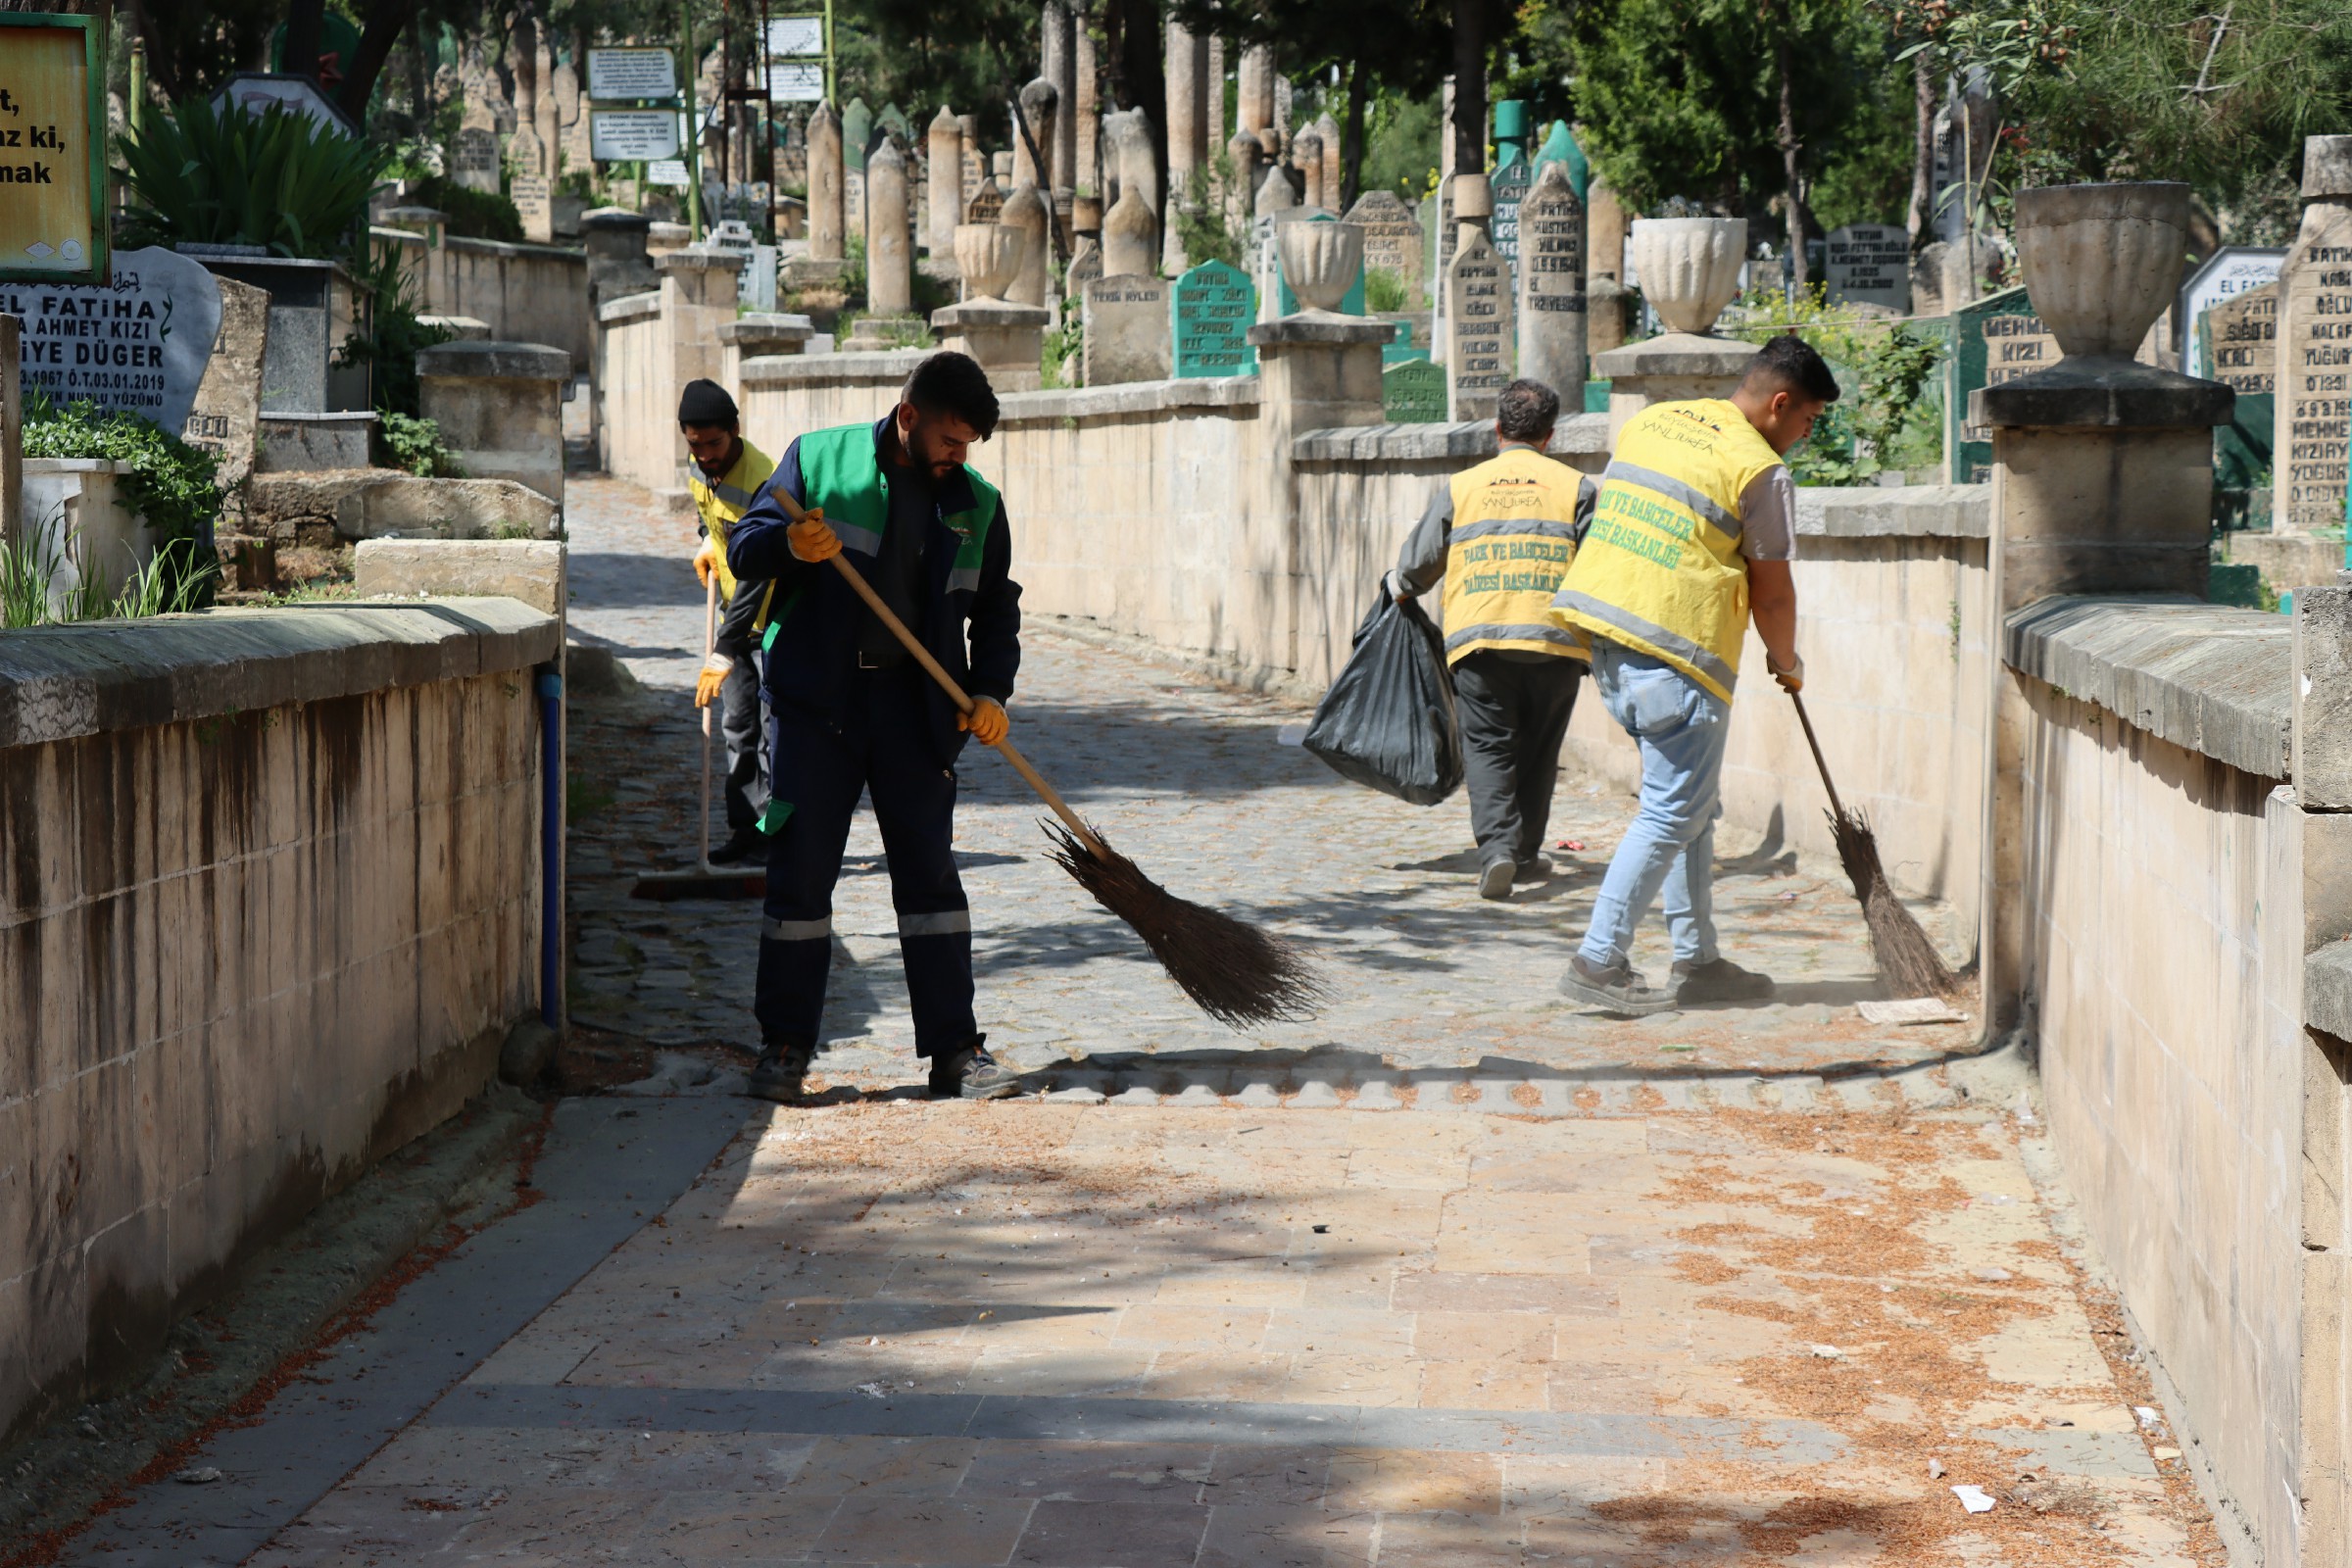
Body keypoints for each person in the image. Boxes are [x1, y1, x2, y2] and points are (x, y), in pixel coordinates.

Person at [723, 351, 1024, 1102]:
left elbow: (995, 607)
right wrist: (791, 546)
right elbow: (744, 548)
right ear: (910, 416)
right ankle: (785, 1047)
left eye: (970, 447)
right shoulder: (817, 462)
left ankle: (956, 1052)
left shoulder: (975, 504)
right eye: (952, 440)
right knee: (799, 878)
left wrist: (989, 690)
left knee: (930, 882)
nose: (960, 457)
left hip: (915, 717)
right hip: (812, 710)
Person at [1547, 333, 1837, 1015]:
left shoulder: (1654, 422)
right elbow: (1772, 592)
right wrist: (1788, 663)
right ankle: (1598, 959)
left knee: (1690, 812)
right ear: (1781, 403)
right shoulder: (1759, 470)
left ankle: (1697, 960)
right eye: (1808, 422)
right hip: (1677, 657)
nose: (1804, 435)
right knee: (1672, 810)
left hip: (1612, 643)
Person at [1389, 378, 1594, 901]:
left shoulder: (1464, 486)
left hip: (1480, 642)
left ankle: (1498, 849)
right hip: (1555, 641)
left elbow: (1416, 565)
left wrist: (1399, 590)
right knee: (1540, 751)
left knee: (1489, 748)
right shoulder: (1578, 488)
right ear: (1551, 435)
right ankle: (1525, 855)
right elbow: (1600, 569)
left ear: (1497, 429)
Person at [680, 378, 781, 865]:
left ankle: (784, 837)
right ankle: (748, 830)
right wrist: (705, 539)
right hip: (736, 616)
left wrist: (724, 646)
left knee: (775, 733)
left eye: (713, 444)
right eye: (694, 445)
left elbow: (761, 572)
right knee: (738, 728)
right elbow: (709, 515)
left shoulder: (765, 479)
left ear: (735, 431)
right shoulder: (699, 468)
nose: (704, 455)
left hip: (777, 623)